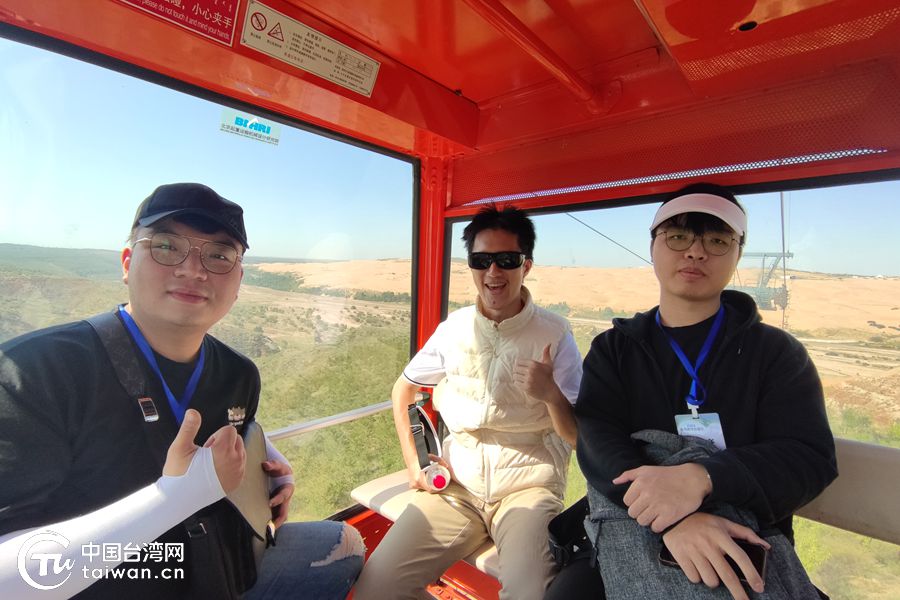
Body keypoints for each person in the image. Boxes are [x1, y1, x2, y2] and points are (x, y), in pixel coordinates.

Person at [0, 183, 364, 599]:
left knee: (345, 541)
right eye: (166, 247)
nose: (193, 270)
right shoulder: (36, 374)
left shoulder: (238, 374)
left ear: (239, 281)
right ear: (127, 263)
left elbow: (215, 421)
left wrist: (262, 460)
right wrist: (173, 498)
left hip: (220, 571)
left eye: (219, 256)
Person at [563, 183, 837, 600]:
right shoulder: (615, 349)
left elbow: (808, 458)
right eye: (678, 236)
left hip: (744, 538)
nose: (695, 252)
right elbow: (597, 439)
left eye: (717, 240)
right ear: (653, 247)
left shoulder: (776, 353)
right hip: (632, 528)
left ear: (737, 254)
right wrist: (672, 517)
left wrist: (702, 478)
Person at [354, 204, 583, 600]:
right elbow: (403, 390)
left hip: (527, 490)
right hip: (457, 488)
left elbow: (579, 436)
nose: (493, 272)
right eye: (481, 261)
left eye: (506, 260)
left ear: (526, 265)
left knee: (531, 594)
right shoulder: (454, 329)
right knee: (377, 587)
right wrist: (415, 464)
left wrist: (551, 395)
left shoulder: (555, 334)